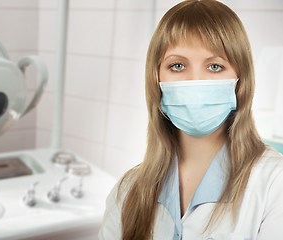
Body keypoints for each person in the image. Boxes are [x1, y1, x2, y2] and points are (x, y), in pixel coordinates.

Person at [98, 0, 283, 239]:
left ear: (240, 81)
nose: (194, 81)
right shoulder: (127, 191)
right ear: (156, 80)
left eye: (215, 66)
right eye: (177, 65)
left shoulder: (274, 183)